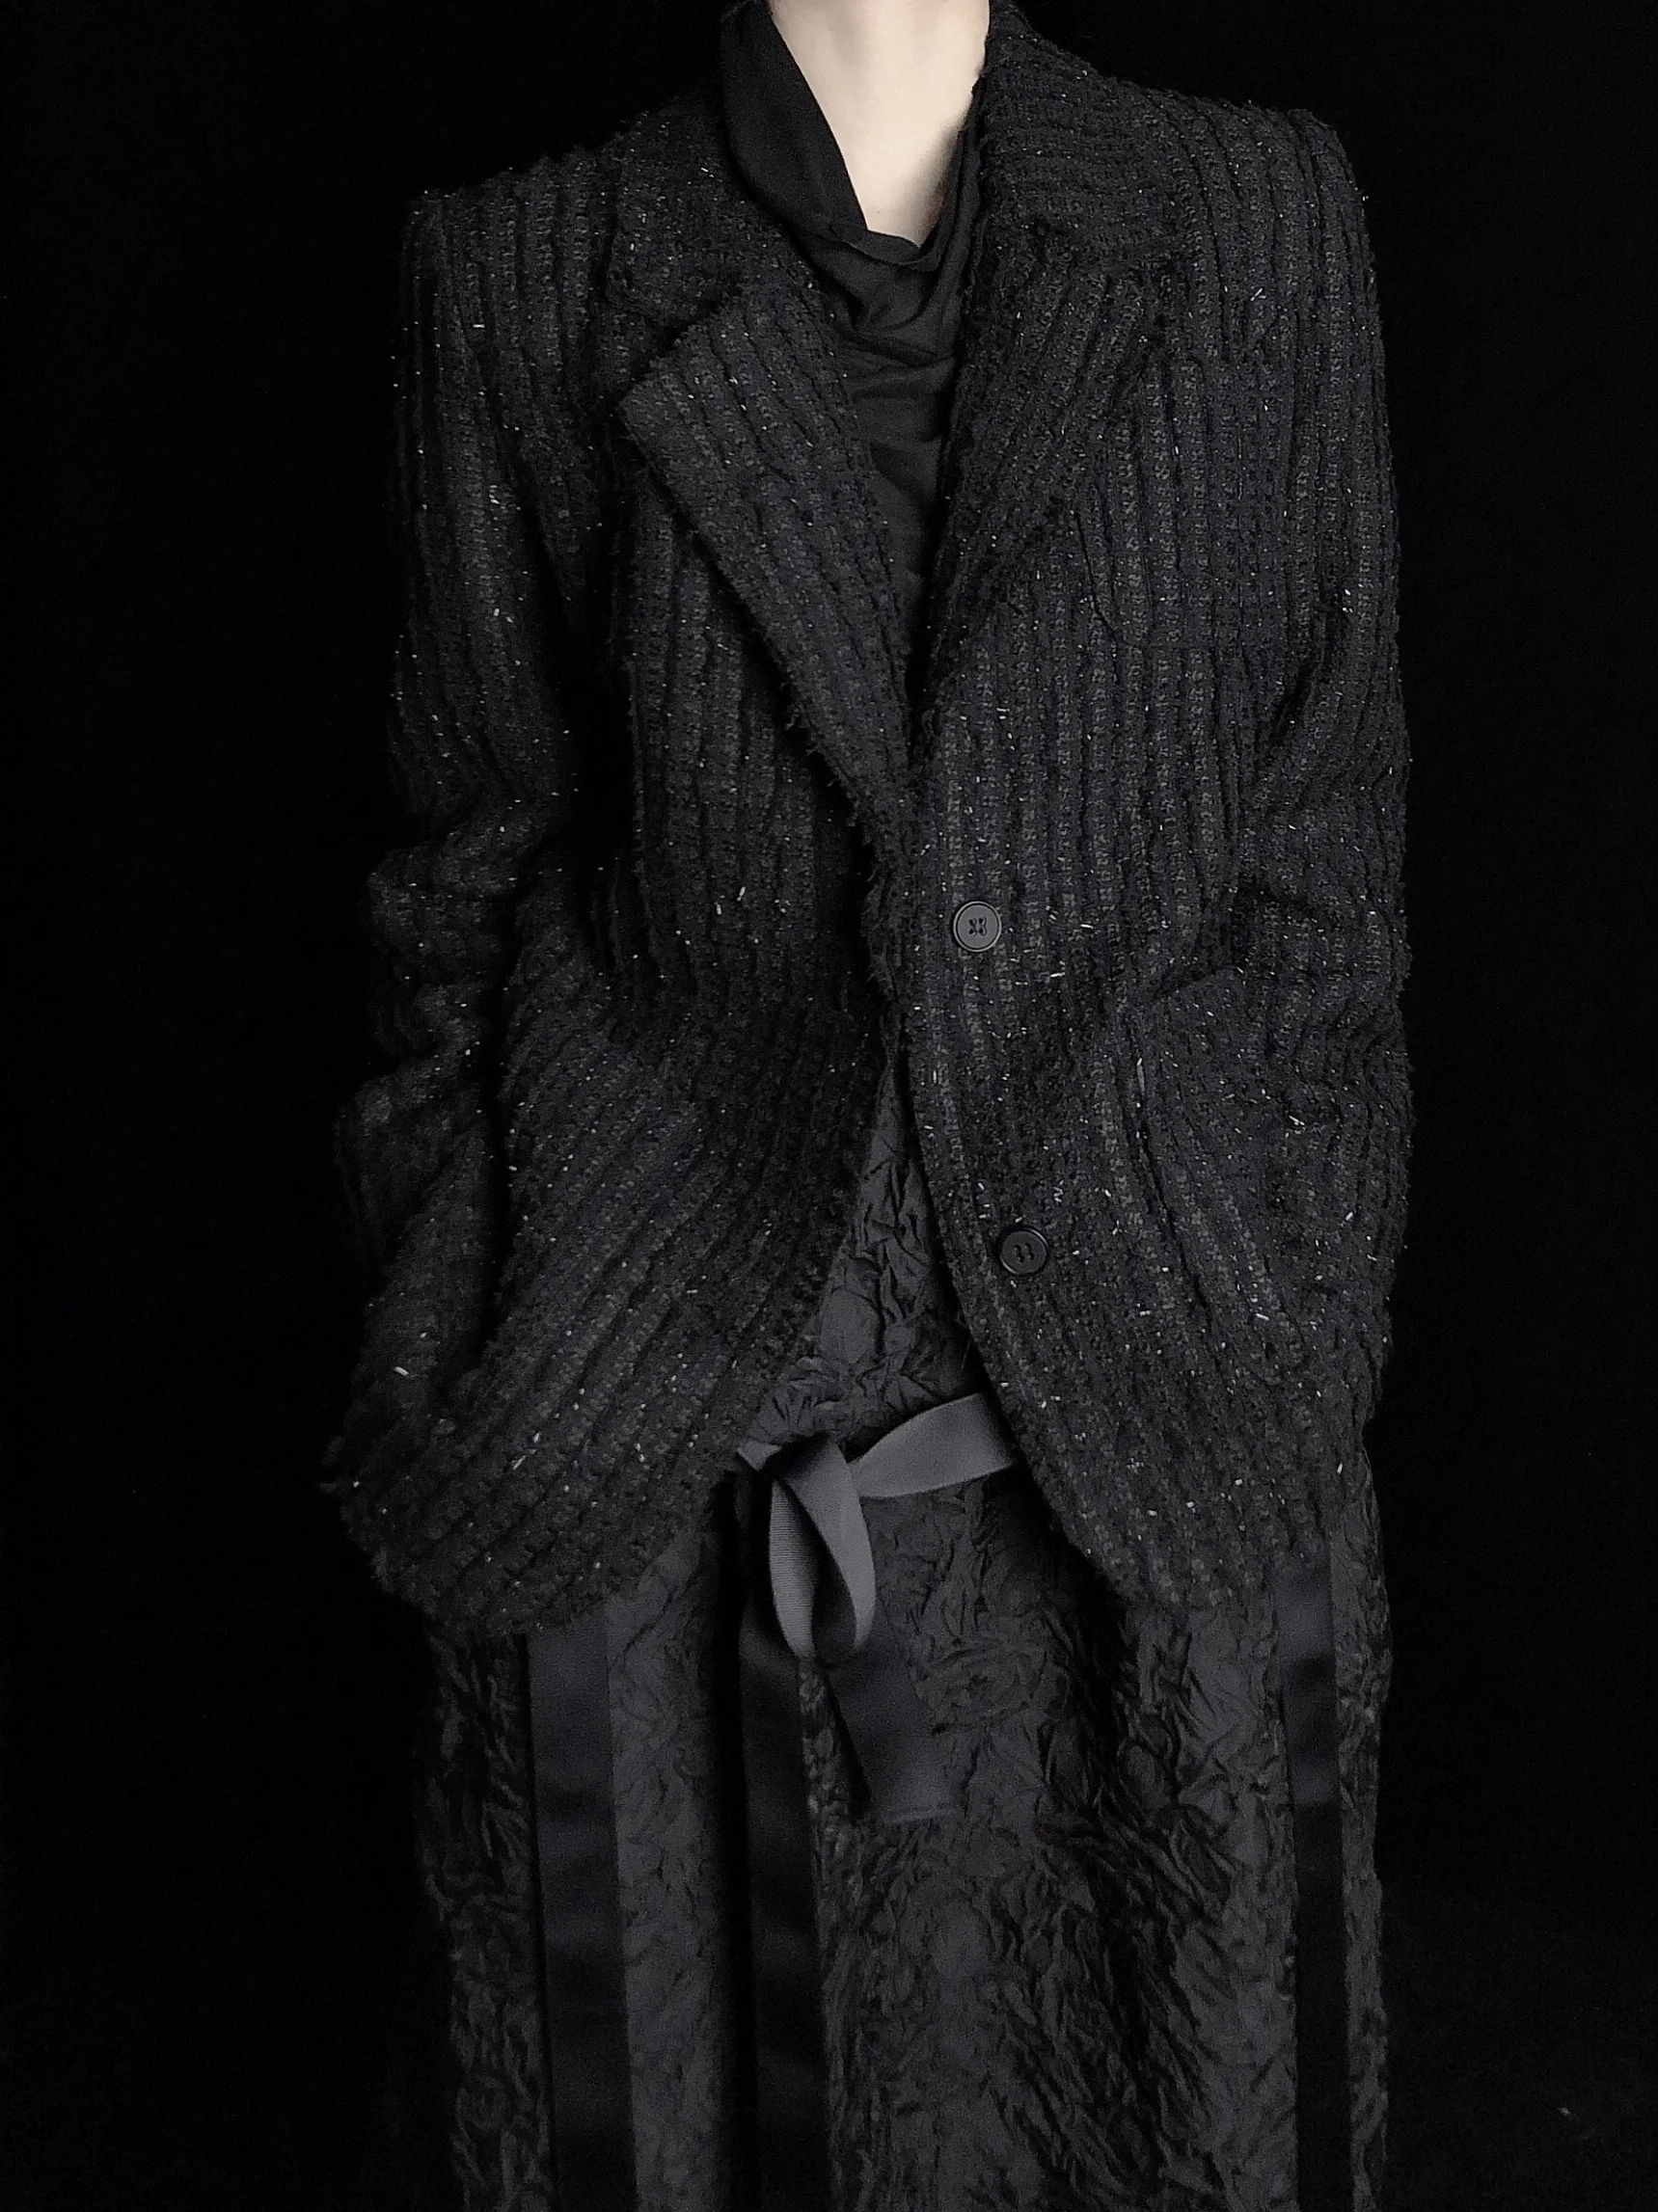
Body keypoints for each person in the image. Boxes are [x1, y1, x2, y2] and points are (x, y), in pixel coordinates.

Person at [329, 2, 1411, 2207]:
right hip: (654, 1417)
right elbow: (464, 867)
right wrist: (476, 1299)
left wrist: (1292, 1283)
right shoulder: (524, 260)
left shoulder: (1254, 214)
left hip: (1148, 1387)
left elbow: (1321, 840)